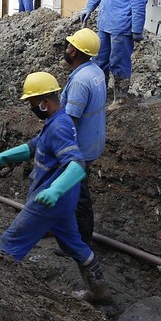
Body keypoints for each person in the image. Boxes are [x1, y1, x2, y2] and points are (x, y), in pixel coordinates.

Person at [0, 71, 111, 304]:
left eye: (31, 103)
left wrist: (54, 190)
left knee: (9, 244)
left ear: (44, 102)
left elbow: (77, 166)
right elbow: (33, 146)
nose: (30, 108)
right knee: (74, 244)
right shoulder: (59, 120)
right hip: (65, 202)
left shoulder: (59, 127)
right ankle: (99, 292)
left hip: (47, 201)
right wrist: (2, 157)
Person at [61, 28, 107, 246]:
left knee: (77, 195)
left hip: (78, 147)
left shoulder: (80, 81)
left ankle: (80, 241)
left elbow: (71, 120)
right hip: (92, 140)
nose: (66, 48)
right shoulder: (95, 71)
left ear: (76, 53)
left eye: (70, 46)